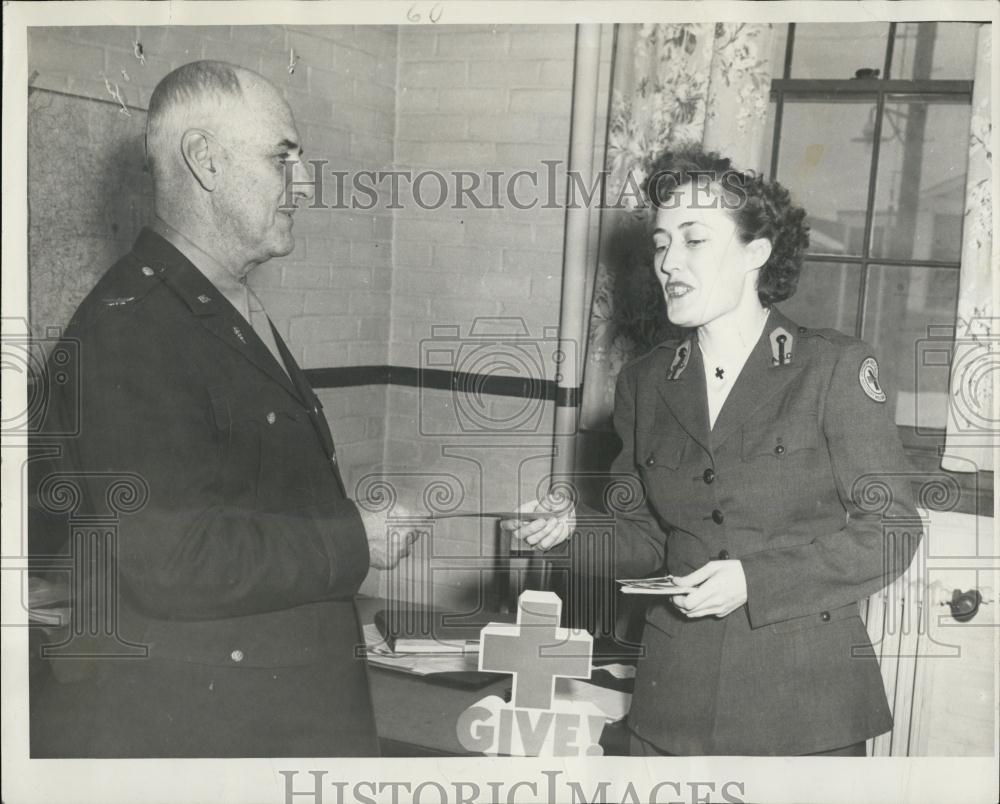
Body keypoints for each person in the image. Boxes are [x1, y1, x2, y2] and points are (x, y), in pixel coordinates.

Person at [28, 60, 420, 758]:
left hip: (282, 712)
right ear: (205, 161)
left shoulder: (218, 305)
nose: (304, 184)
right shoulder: (133, 332)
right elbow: (174, 558)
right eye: (282, 158)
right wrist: (354, 538)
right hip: (221, 737)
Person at [503, 148, 922, 756]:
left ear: (757, 253)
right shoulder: (644, 383)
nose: (669, 262)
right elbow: (647, 538)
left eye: (694, 240)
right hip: (673, 702)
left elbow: (892, 529)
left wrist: (755, 580)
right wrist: (574, 530)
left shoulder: (832, 369)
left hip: (802, 710)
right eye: (660, 243)